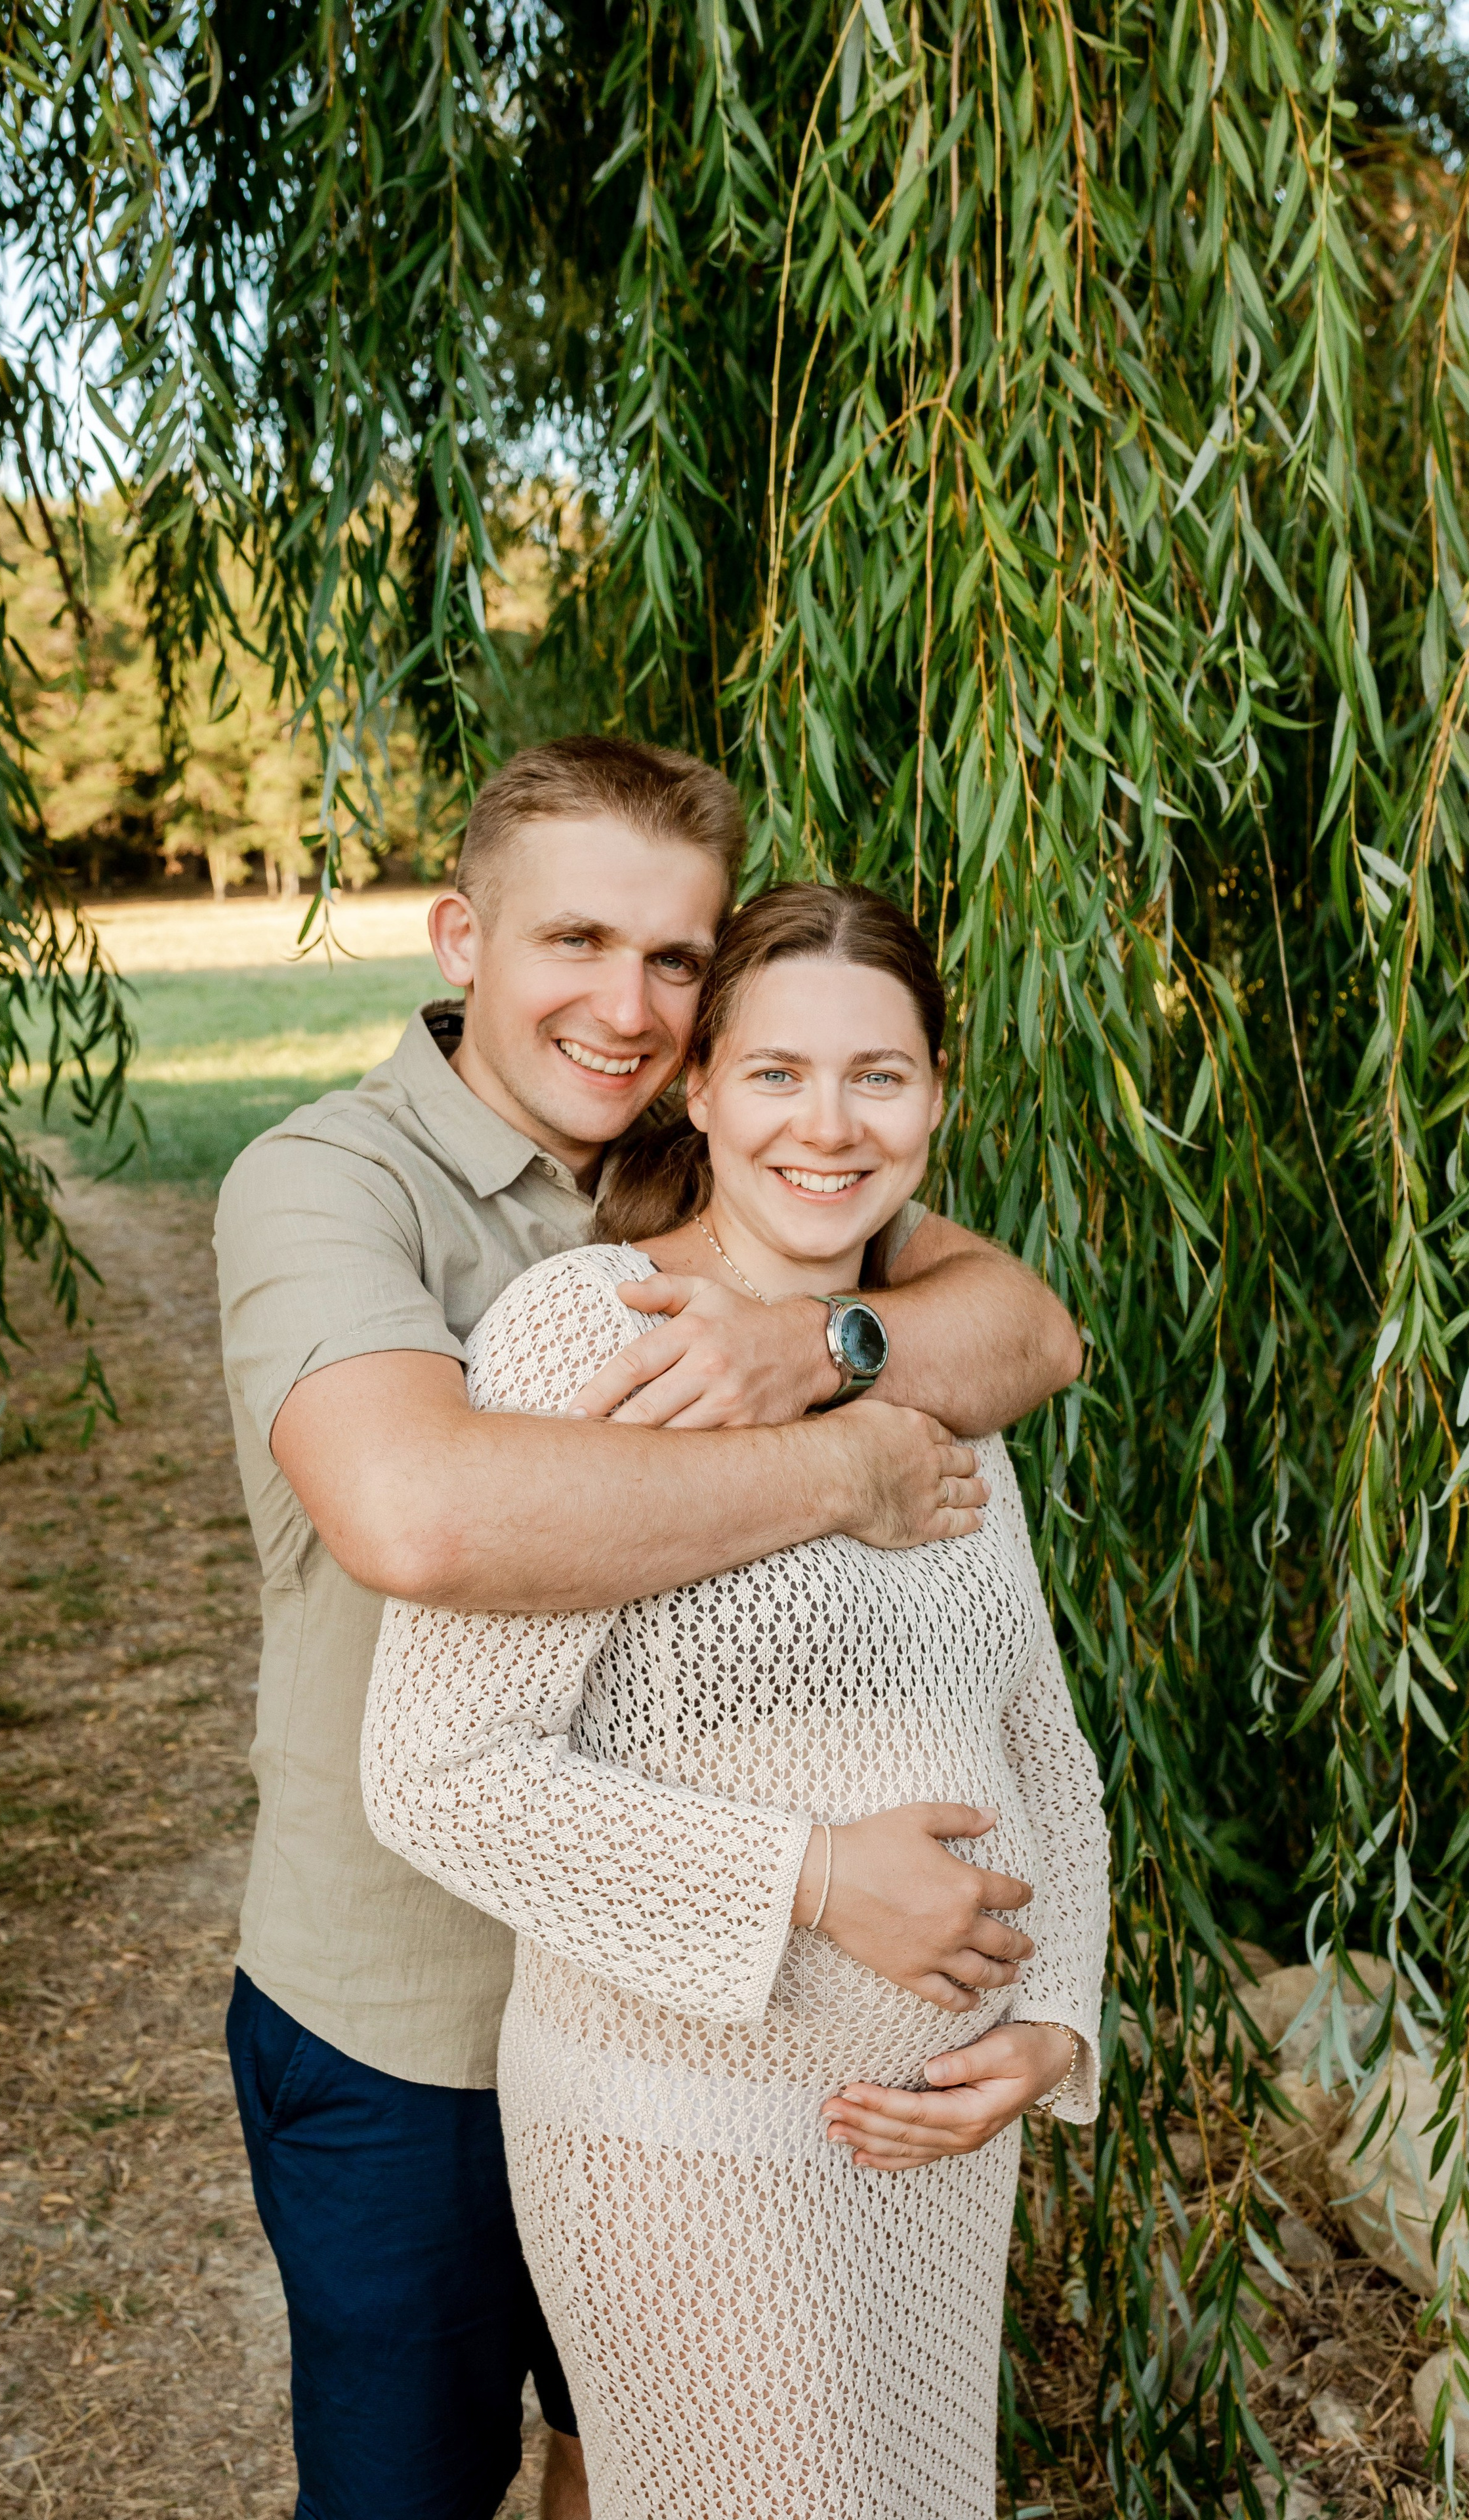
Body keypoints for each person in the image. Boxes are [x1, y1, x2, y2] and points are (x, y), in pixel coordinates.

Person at [213, 739, 1083, 2520]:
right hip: (418, 2020)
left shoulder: (779, 1193)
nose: (626, 1005)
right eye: (576, 943)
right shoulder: (331, 1186)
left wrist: (826, 1345)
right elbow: (428, 1519)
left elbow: (1024, 1336)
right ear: (463, 936)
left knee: (633, 2471)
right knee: (411, 2496)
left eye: (676, 962)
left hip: (758, 2052)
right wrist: (844, 1463)